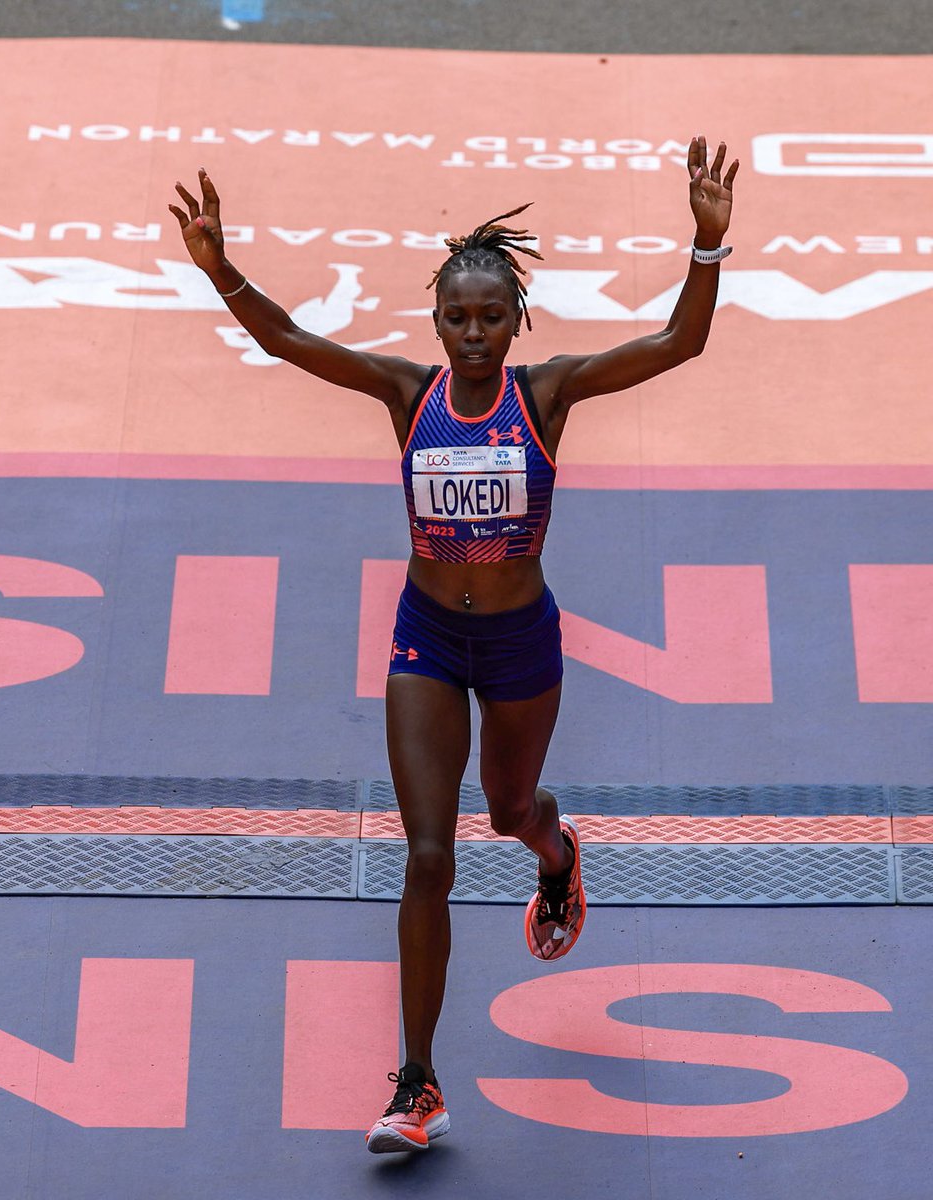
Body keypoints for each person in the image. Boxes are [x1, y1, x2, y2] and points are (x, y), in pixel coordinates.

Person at [169, 135, 737, 1155]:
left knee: (507, 810)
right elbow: (289, 339)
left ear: (517, 321)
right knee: (427, 856)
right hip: (427, 641)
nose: (472, 333)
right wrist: (222, 270)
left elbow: (677, 346)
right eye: (455, 316)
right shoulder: (406, 395)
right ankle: (418, 1083)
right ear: (435, 322)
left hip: (521, 646)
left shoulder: (548, 396)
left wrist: (704, 247)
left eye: (489, 316)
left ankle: (555, 852)